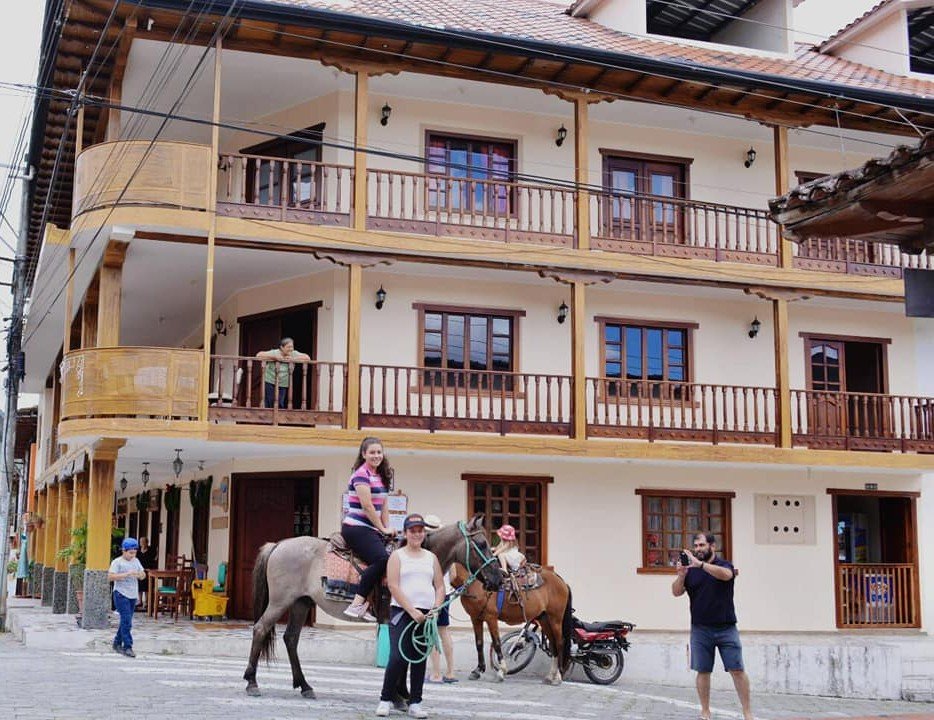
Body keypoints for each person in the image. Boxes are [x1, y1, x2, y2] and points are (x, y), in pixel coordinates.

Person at [671, 531, 753, 720]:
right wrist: (682, 575)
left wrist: (701, 565)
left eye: (702, 545)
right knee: (703, 671)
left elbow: (726, 575)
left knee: (737, 670)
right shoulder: (690, 570)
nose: (698, 549)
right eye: (696, 546)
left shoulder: (724, 565)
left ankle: (747, 712)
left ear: (712, 546)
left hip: (726, 628)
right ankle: (705, 711)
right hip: (700, 629)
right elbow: (676, 592)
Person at [377, 514, 445, 719]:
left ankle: (415, 702)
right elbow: (393, 585)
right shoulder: (397, 556)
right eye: (413, 531)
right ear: (406, 533)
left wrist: (436, 607)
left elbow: (440, 586)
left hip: (426, 614)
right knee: (397, 657)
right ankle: (385, 699)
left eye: (420, 531)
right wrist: (411, 610)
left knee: (418, 658)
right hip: (402, 611)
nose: (417, 534)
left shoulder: (431, 558)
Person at [342, 436, 395, 621]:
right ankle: (357, 603)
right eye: (372, 452)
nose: (376, 455)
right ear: (364, 454)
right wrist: (382, 528)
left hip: (372, 529)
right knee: (382, 559)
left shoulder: (381, 475)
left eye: (379, 452)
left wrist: (388, 529)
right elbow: (368, 506)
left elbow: (383, 506)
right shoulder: (361, 474)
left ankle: (374, 605)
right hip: (356, 527)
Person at [424, 515, 457, 684]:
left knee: (431, 631)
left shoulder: (428, 551)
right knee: (444, 631)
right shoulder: (447, 550)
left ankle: (435, 673)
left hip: (431, 593)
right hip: (446, 592)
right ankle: (450, 672)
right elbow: (454, 575)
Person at [108, 538, 146, 658]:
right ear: (124, 551)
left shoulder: (136, 561)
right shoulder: (117, 562)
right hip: (120, 593)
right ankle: (128, 646)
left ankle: (116, 643)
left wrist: (140, 575)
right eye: (130, 552)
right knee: (127, 621)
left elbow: (143, 574)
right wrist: (126, 574)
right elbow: (110, 577)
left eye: (134, 552)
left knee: (126, 620)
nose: (132, 555)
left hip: (132, 595)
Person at [256, 337, 311, 409]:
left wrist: (293, 359)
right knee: (269, 401)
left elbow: (307, 358)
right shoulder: (275, 352)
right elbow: (258, 355)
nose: (291, 349)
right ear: (282, 347)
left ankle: (278, 419)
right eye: (288, 347)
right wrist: (274, 357)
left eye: (292, 347)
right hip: (270, 380)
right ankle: (269, 418)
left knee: (280, 402)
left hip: (283, 382)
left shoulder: (293, 354)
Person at [136, 537, 157, 611]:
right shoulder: (138, 551)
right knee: (139, 586)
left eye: (143, 542)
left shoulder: (151, 551)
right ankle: (140, 601)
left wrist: (150, 568)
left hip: (148, 570)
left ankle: (147, 602)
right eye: (140, 542)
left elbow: (153, 561)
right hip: (140, 570)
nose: (141, 543)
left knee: (147, 586)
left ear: (147, 543)